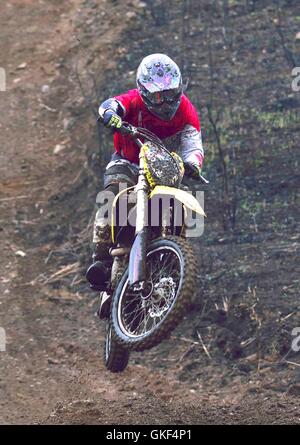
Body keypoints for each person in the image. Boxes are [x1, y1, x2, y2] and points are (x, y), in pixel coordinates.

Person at [86, 53, 205, 289]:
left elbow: (193, 143)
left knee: (180, 205)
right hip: (128, 162)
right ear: (144, 91)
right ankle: (101, 259)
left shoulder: (186, 111)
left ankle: (175, 260)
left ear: (179, 88)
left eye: (171, 94)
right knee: (113, 195)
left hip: (165, 167)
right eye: (159, 96)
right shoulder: (133, 101)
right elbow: (112, 105)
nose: (165, 102)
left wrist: (192, 163)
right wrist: (111, 115)